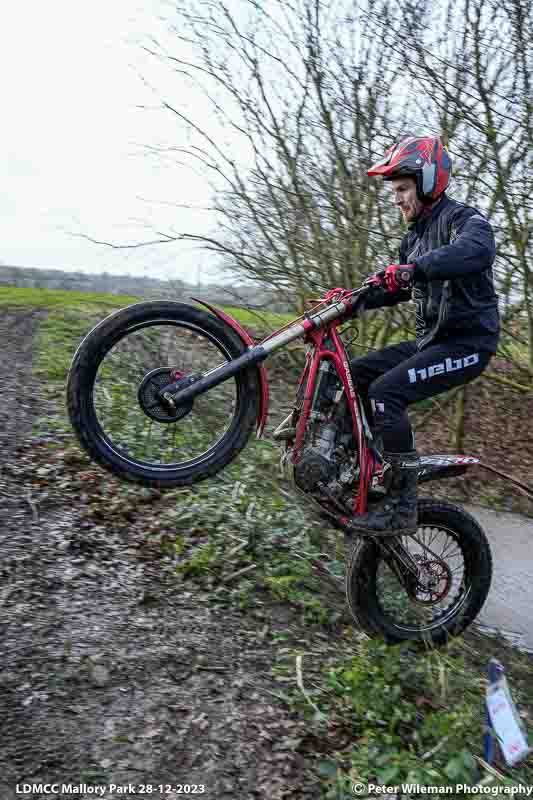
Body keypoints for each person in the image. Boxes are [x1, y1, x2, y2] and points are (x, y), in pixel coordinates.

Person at [349, 134, 500, 536]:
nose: (396, 199)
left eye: (402, 189)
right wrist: (354, 300)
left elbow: (474, 253)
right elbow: (396, 287)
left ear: (429, 181)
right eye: (394, 191)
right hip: (430, 341)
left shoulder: (466, 222)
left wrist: (415, 270)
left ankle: (402, 506)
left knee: (386, 393)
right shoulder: (412, 240)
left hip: (468, 343)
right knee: (354, 374)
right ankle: (363, 466)